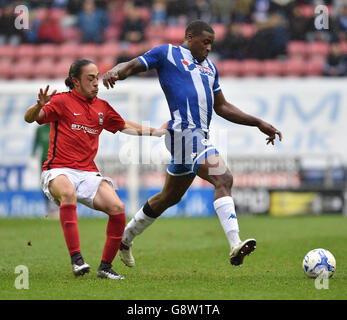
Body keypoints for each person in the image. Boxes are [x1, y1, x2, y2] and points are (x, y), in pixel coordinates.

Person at [102, 20, 282, 268]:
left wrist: (257, 122)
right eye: (205, 42)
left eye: (211, 44)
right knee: (223, 178)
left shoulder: (210, 68)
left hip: (198, 136)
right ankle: (235, 244)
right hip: (182, 133)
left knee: (168, 197)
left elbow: (222, 107)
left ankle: (125, 238)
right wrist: (115, 72)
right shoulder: (167, 53)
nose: (208, 48)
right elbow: (132, 64)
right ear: (189, 37)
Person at [24, 59, 167, 280]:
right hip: (58, 169)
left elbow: (125, 126)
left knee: (118, 208)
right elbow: (31, 118)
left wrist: (156, 132)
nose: (96, 83)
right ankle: (77, 260)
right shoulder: (61, 101)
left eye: (97, 78)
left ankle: (105, 267)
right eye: (90, 79)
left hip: (88, 173)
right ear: (75, 81)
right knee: (68, 193)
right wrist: (38, 106)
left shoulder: (102, 107)